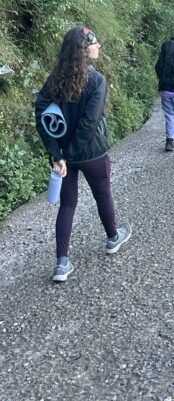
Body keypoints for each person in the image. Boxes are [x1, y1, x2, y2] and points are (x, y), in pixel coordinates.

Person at [35, 25, 131, 283]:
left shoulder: (54, 79)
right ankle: (112, 238)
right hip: (92, 153)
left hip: (65, 158)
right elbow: (90, 123)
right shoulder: (97, 81)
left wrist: (58, 155)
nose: (98, 46)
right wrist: (69, 154)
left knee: (67, 205)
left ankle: (61, 264)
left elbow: (41, 115)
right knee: (103, 195)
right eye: (95, 42)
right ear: (84, 49)